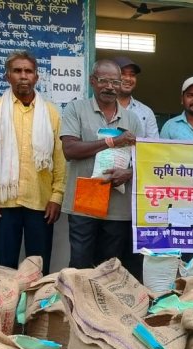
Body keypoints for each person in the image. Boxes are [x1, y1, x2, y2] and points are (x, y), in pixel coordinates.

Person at [0, 51, 66, 275]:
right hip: (4, 202)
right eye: (17, 71)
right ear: (7, 76)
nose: (23, 76)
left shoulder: (51, 113)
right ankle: (8, 300)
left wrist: (57, 196)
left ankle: (35, 300)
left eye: (28, 71)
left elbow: (60, 160)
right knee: (5, 268)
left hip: (41, 202)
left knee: (38, 268)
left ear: (37, 76)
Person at [60, 59, 145, 277]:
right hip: (84, 202)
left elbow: (144, 161)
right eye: (103, 81)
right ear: (92, 81)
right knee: (80, 267)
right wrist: (113, 141)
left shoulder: (132, 119)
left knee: (109, 270)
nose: (110, 87)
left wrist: (129, 173)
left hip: (117, 207)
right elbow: (69, 149)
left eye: (115, 82)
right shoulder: (75, 109)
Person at [114, 56, 159, 139]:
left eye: (132, 75)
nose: (128, 78)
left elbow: (153, 144)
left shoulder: (146, 112)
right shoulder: (103, 107)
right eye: (122, 73)